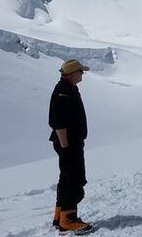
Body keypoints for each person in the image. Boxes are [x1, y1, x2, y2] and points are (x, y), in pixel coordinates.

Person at [49, 60, 94, 234]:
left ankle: (60, 216)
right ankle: (68, 221)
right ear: (73, 73)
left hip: (69, 143)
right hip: (68, 144)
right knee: (75, 179)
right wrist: (66, 148)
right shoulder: (64, 92)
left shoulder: (67, 89)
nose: (83, 74)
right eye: (81, 72)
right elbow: (58, 122)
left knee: (66, 178)